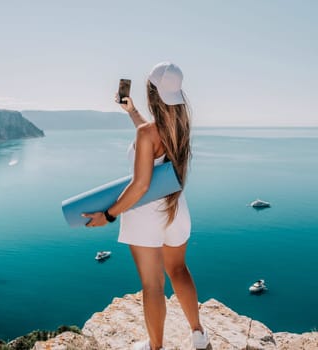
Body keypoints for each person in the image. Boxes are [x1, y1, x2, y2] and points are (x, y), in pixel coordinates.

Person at [83, 62, 210, 350]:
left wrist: (108, 215)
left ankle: (156, 347)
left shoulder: (148, 134)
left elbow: (140, 185)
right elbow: (154, 138)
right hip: (176, 209)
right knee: (178, 270)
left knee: (153, 286)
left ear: (152, 92)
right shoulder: (181, 124)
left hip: (145, 215)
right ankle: (199, 334)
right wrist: (132, 112)